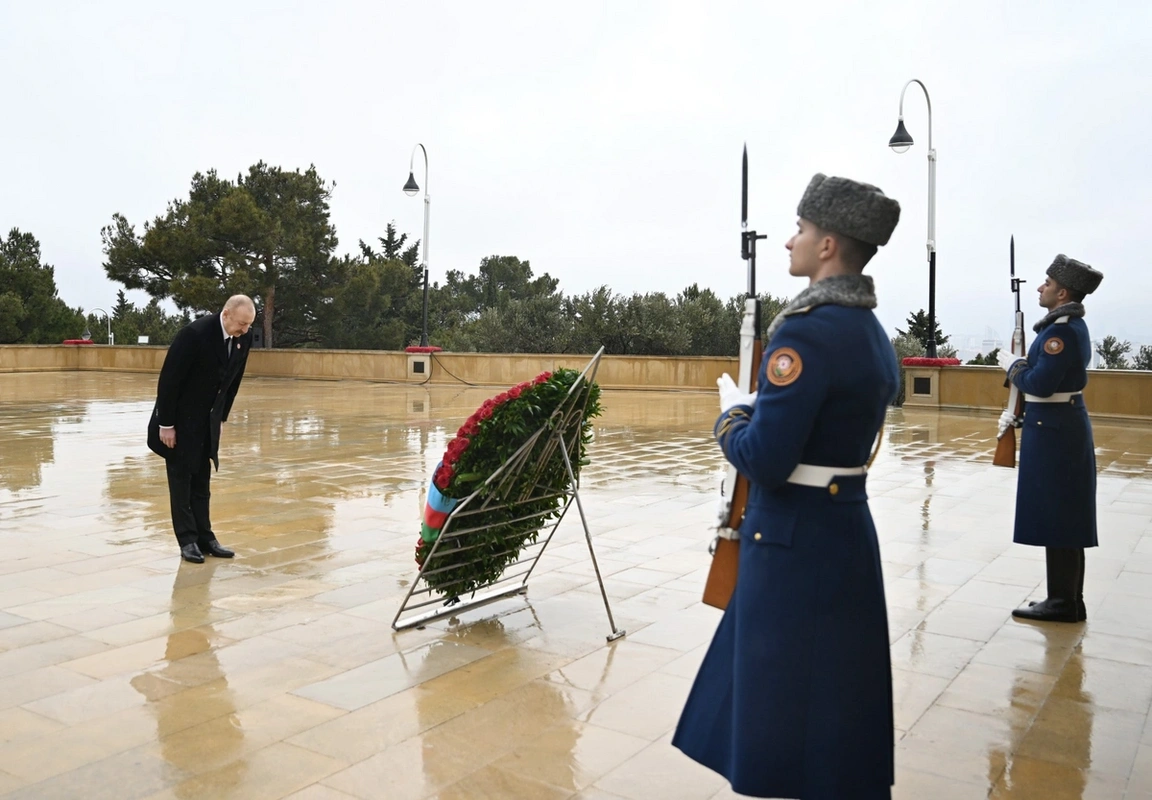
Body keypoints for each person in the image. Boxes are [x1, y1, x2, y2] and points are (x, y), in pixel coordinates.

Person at [673, 174, 901, 799]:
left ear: (827, 245)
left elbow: (767, 460)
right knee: (833, 707)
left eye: (800, 229)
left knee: (781, 708)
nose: (789, 241)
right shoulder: (870, 331)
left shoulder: (806, 330)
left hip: (793, 542)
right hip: (842, 530)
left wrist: (732, 417)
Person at [997, 255, 1102, 622]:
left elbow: (1041, 384)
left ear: (1062, 293)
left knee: (1060, 515)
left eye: (1047, 284)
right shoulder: (1065, 326)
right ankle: (1068, 599)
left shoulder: (1062, 332)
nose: (1040, 288)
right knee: (1063, 515)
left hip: (1055, 430)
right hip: (1055, 425)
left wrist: (1014, 366)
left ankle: (1062, 602)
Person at [147, 294, 256, 563]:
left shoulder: (243, 338)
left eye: (248, 325)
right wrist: (166, 424)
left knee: (201, 481)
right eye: (241, 324)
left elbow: (233, 381)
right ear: (226, 314)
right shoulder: (194, 334)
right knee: (181, 482)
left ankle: (206, 538)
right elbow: (169, 380)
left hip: (207, 421)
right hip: (180, 421)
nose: (245, 330)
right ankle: (187, 540)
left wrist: (221, 418)